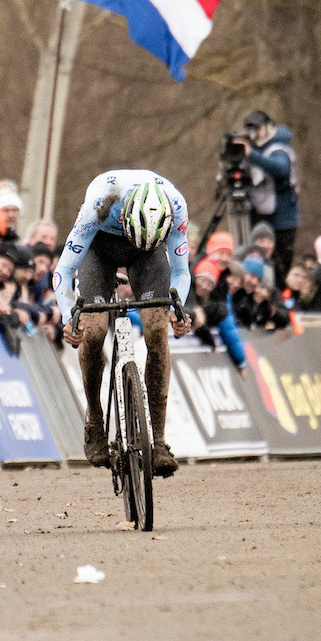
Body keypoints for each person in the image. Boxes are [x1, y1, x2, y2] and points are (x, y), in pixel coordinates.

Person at [51, 171, 196, 479]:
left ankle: (158, 441)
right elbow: (63, 271)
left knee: (158, 331)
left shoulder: (176, 206)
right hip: (99, 249)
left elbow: (181, 272)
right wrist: (68, 318)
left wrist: (178, 310)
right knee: (93, 332)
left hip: (148, 252)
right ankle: (95, 418)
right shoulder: (101, 204)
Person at [238, 109, 300, 272]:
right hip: (260, 215)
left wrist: (251, 155)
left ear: (267, 128)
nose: (254, 134)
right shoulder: (255, 148)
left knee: (280, 266)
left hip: (282, 220)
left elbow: (280, 169)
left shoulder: (279, 148)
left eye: (257, 128)